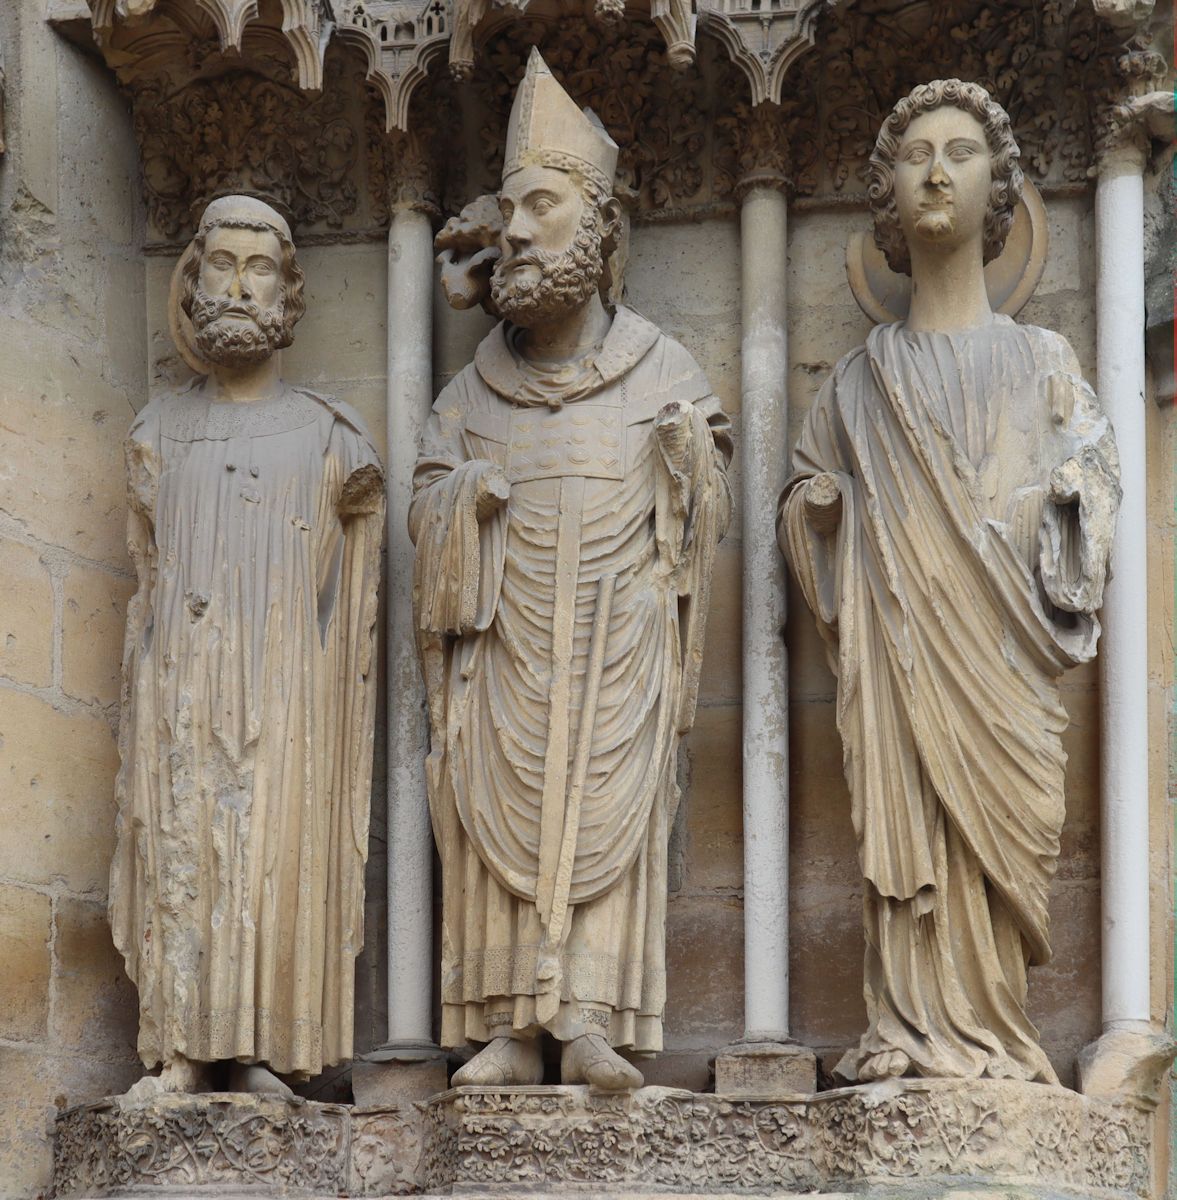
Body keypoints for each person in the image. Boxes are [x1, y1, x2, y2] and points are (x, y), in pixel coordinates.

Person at [778, 80, 1120, 1084]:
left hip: (1002, 668)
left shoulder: (1044, 359)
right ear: (886, 193)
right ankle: (906, 1025)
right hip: (900, 660)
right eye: (915, 152)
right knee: (908, 833)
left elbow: (1093, 497)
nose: (936, 169)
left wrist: (1059, 508)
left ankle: (992, 1031)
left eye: (961, 150)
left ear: (999, 186)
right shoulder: (852, 384)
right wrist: (826, 515)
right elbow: (807, 505)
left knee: (998, 846)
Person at [411, 50, 731, 1089]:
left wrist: (687, 467)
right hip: (504, 647)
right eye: (506, 210)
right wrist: (463, 503)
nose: (514, 229)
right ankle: (509, 1020)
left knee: (606, 812)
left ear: (597, 227)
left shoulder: (662, 369)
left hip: (616, 642)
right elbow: (423, 502)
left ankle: (590, 1013)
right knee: (490, 806)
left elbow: (704, 505)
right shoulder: (471, 391)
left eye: (540, 205)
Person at [110, 195, 385, 1100]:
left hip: (285, 686)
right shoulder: (155, 430)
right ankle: (184, 1045)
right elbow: (149, 575)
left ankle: (266, 1043)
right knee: (186, 846)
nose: (237, 284)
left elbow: (358, 592)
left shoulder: (332, 435)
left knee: (268, 852)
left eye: (257, 267)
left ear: (288, 293)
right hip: (185, 682)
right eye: (219, 264)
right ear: (191, 282)